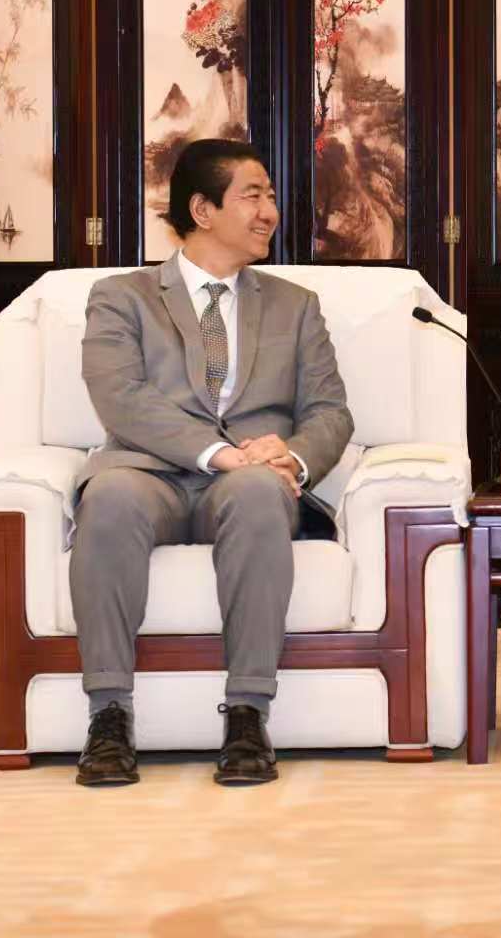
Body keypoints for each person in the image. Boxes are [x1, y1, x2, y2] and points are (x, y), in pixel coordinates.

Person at [70, 139, 353, 787]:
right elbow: (121, 397)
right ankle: (108, 715)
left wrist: (293, 456)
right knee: (107, 497)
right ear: (202, 210)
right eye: (253, 196)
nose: (270, 212)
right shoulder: (121, 297)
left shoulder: (295, 306)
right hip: (149, 473)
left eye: (271, 196)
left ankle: (248, 715)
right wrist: (222, 454)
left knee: (257, 494)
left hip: (251, 482)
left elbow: (330, 412)